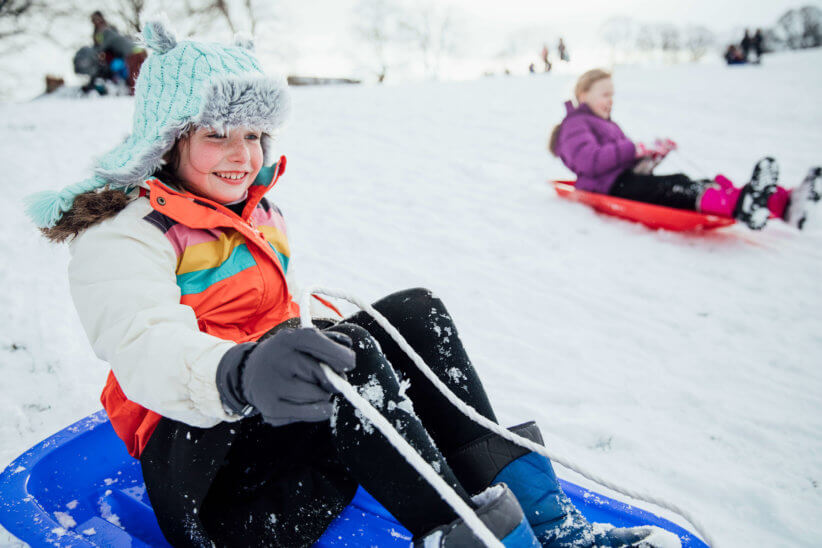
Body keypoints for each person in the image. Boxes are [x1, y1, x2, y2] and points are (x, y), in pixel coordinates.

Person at [26, 21, 680, 548]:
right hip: (215, 489)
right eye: (217, 133)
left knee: (409, 315)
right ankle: (470, 539)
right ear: (167, 139)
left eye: (254, 134)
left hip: (280, 445)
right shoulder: (124, 234)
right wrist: (239, 371)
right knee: (352, 356)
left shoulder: (251, 213)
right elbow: (144, 346)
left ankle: (552, 528)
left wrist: (295, 348)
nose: (242, 154)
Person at [548, 69, 821, 230]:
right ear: (583, 95)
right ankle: (742, 204)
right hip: (607, 188)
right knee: (676, 187)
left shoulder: (606, 123)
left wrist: (651, 156)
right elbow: (590, 161)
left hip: (625, 181)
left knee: (693, 182)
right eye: (605, 94)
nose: (610, 101)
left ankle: (784, 204)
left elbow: (626, 163)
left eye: (613, 94)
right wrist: (635, 148)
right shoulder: (574, 124)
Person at [90, 10, 146, 94]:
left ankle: (135, 95)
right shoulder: (109, 29)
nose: (96, 22)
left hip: (132, 52)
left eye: (97, 19)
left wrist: (94, 53)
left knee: (133, 76)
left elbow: (102, 47)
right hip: (137, 50)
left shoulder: (107, 31)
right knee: (139, 74)